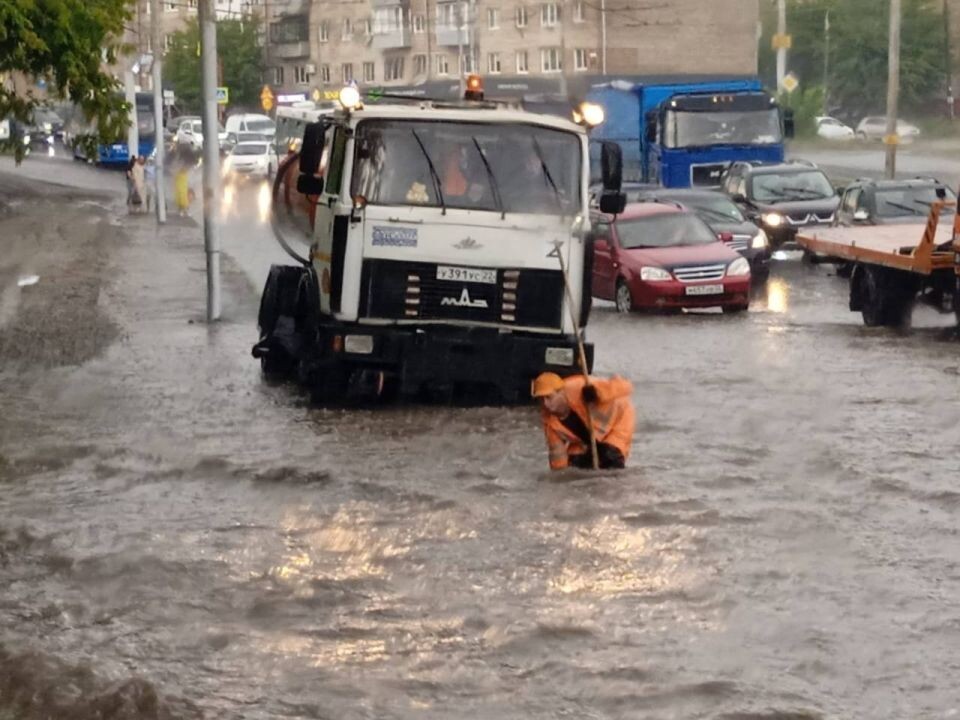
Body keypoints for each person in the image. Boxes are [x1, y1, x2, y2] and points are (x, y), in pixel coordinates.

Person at [531, 372, 635, 471]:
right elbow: (557, 452)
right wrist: (559, 477)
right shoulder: (549, 420)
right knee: (575, 463)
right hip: (589, 435)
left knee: (610, 458)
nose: (545, 404)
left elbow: (625, 386)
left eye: (549, 397)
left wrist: (597, 393)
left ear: (561, 392)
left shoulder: (580, 386)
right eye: (541, 399)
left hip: (619, 421)